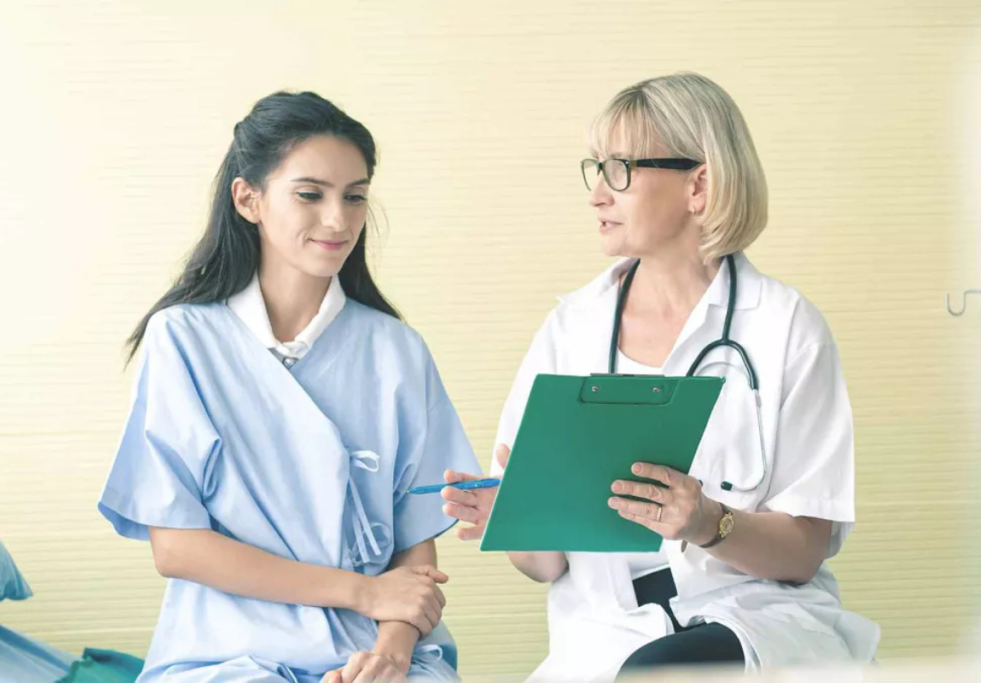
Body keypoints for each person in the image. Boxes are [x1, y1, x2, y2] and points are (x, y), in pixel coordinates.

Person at [442, 73, 880, 681]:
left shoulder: (786, 329)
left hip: (752, 620)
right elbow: (544, 565)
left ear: (698, 185)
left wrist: (709, 523)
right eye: (594, 169)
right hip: (602, 637)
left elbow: (803, 552)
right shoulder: (569, 332)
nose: (598, 193)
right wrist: (516, 519)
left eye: (619, 170)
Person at [98, 91, 481, 683]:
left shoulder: (396, 350)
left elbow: (415, 551)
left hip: (377, 650)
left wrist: (390, 656)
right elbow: (176, 547)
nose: (338, 219)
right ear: (248, 199)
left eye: (355, 197)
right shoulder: (184, 339)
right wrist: (363, 593)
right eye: (310, 194)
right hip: (223, 655)